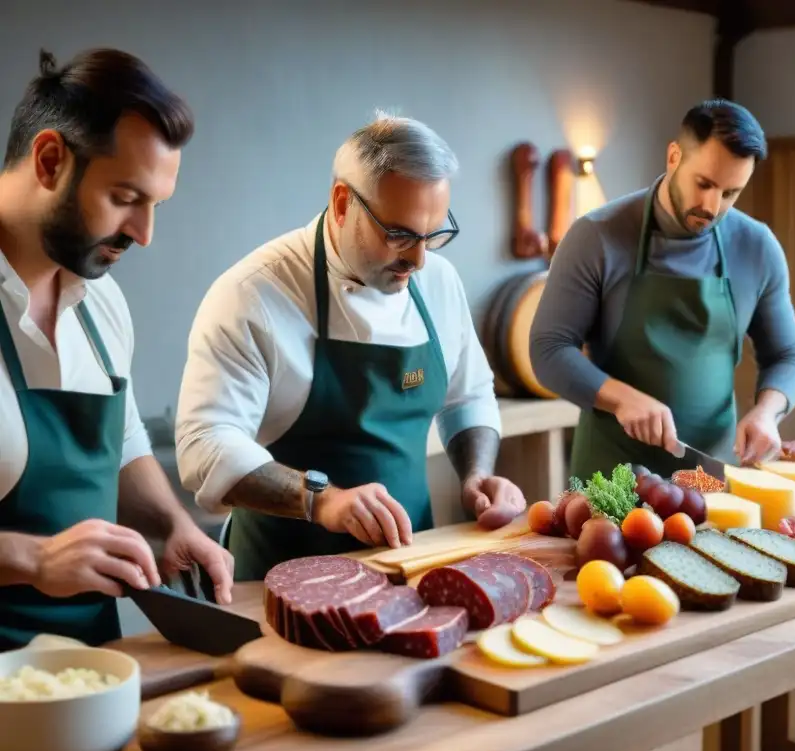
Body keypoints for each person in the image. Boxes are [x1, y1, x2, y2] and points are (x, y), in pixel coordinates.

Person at [175, 110, 527, 581]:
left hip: (409, 565)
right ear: (343, 203)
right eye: (399, 234)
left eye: (433, 235)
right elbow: (204, 446)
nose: (418, 260)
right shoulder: (252, 295)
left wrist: (476, 475)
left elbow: (468, 395)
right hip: (279, 580)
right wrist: (322, 499)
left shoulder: (438, 281)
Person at [0, 48, 235, 650]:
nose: (144, 233)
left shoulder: (102, 305)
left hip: (90, 671)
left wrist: (172, 525)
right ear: (50, 160)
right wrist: (33, 560)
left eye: (155, 205)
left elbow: (124, 446)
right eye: (127, 198)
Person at [530, 98, 795, 482]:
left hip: (710, 478)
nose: (712, 206)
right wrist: (622, 398)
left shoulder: (757, 246)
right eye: (704, 184)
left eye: (730, 193)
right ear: (674, 156)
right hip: (611, 477)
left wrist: (768, 412)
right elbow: (548, 349)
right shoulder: (596, 236)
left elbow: (787, 355)